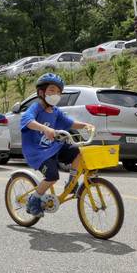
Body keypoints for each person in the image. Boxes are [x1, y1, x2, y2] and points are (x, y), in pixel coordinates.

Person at [21, 73, 94, 218]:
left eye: (59, 92)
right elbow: (27, 120)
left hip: (52, 148)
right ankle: (33, 200)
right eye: (52, 90)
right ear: (41, 92)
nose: (56, 94)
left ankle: (71, 184)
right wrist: (45, 128)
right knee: (52, 176)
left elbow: (70, 123)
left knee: (77, 151)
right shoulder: (36, 108)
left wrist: (85, 125)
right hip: (37, 153)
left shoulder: (55, 111)